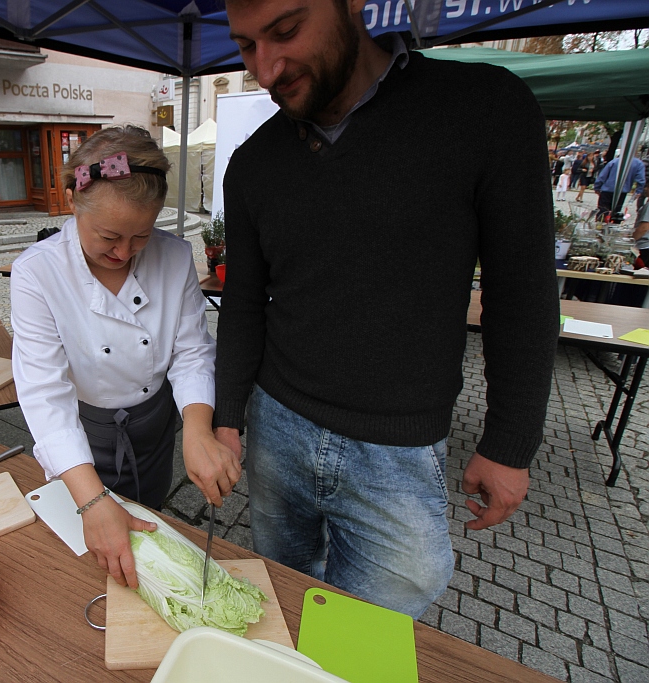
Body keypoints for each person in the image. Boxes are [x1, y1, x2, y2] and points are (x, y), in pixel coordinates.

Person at [217, 0, 558, 619]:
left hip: (398, 446)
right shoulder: (253, 163)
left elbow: (522, 290)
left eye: (286, 31)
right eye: (245, 46)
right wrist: (226, 418)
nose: (265, 70)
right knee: (281, 601)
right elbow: (242, 304)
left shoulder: (484, 108)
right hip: (276, 423)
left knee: (371, 627)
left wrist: (511, 441)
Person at [10, 125, 240, 589]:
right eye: (109, 236)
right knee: (89, 548)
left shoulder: (174, 256)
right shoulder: (37, 273)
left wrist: (197, 430)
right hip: (84, 434)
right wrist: (93, 502)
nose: (123, 251)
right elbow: (45, 395)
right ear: (72, 202)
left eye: (141, 236)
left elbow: (191, 351)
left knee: (149, 518)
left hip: (154, 423)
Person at [594, 154, 646, 223]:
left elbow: (602, 176)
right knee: (616, 212)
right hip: (622, 191)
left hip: (608, 189)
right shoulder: (638, 163)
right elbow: (641, 179)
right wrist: (638, 191)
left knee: (603, 211)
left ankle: (600, 225)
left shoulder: (614, 161)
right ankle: (612, 225)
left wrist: (597, 187)